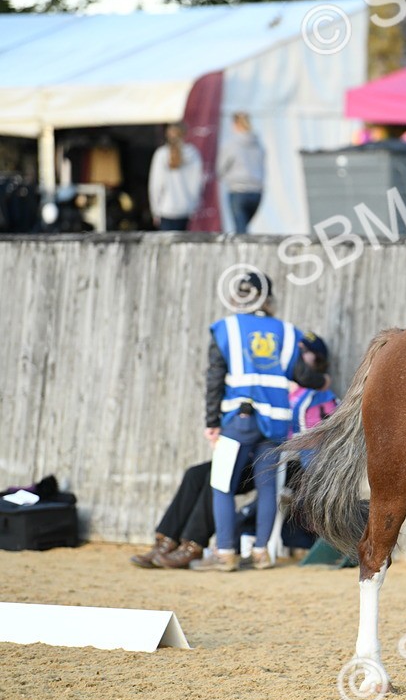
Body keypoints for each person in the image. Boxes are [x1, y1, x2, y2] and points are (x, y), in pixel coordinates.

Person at [190, 274, 330, 572]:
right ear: (267, 298)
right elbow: (302, 377)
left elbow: (215, 379)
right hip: (276, 422)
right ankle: (262, 553)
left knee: (222, 485)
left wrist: (212, 421)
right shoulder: (287, 332)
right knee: (268, 488)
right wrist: (323, 380)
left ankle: (225, 553)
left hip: (239, 420)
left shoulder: (227, 328)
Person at [129, 462, 254, 569]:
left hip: (259, 461)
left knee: (216, 476)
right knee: (194, 474)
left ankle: (193, 546)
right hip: (239, 452)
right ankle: (167, 542)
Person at [148, 123, 204, 231]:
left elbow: (156, 185)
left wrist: (155, 210)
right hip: (186, 209)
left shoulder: (161, 154)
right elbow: (197, 184)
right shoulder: (193, 153)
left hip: (166, 209)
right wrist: (193, 206)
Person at [218, 112, 265, 234]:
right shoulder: (258, 143)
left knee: (241, 231)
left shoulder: (231, 144)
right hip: (257, 191)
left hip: (238, 190)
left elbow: (220, 168)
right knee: (245, 228)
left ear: (235, 124)